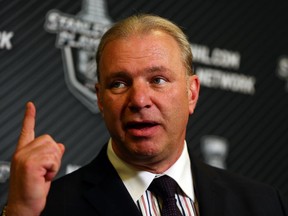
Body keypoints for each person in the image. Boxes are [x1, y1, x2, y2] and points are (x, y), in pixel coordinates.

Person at [3, 14, 288, 216]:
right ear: (100, 99)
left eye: (158, 80)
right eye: (119, 84)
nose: (139, 100)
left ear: (192, 93)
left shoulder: (261, 203)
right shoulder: (48, 207)